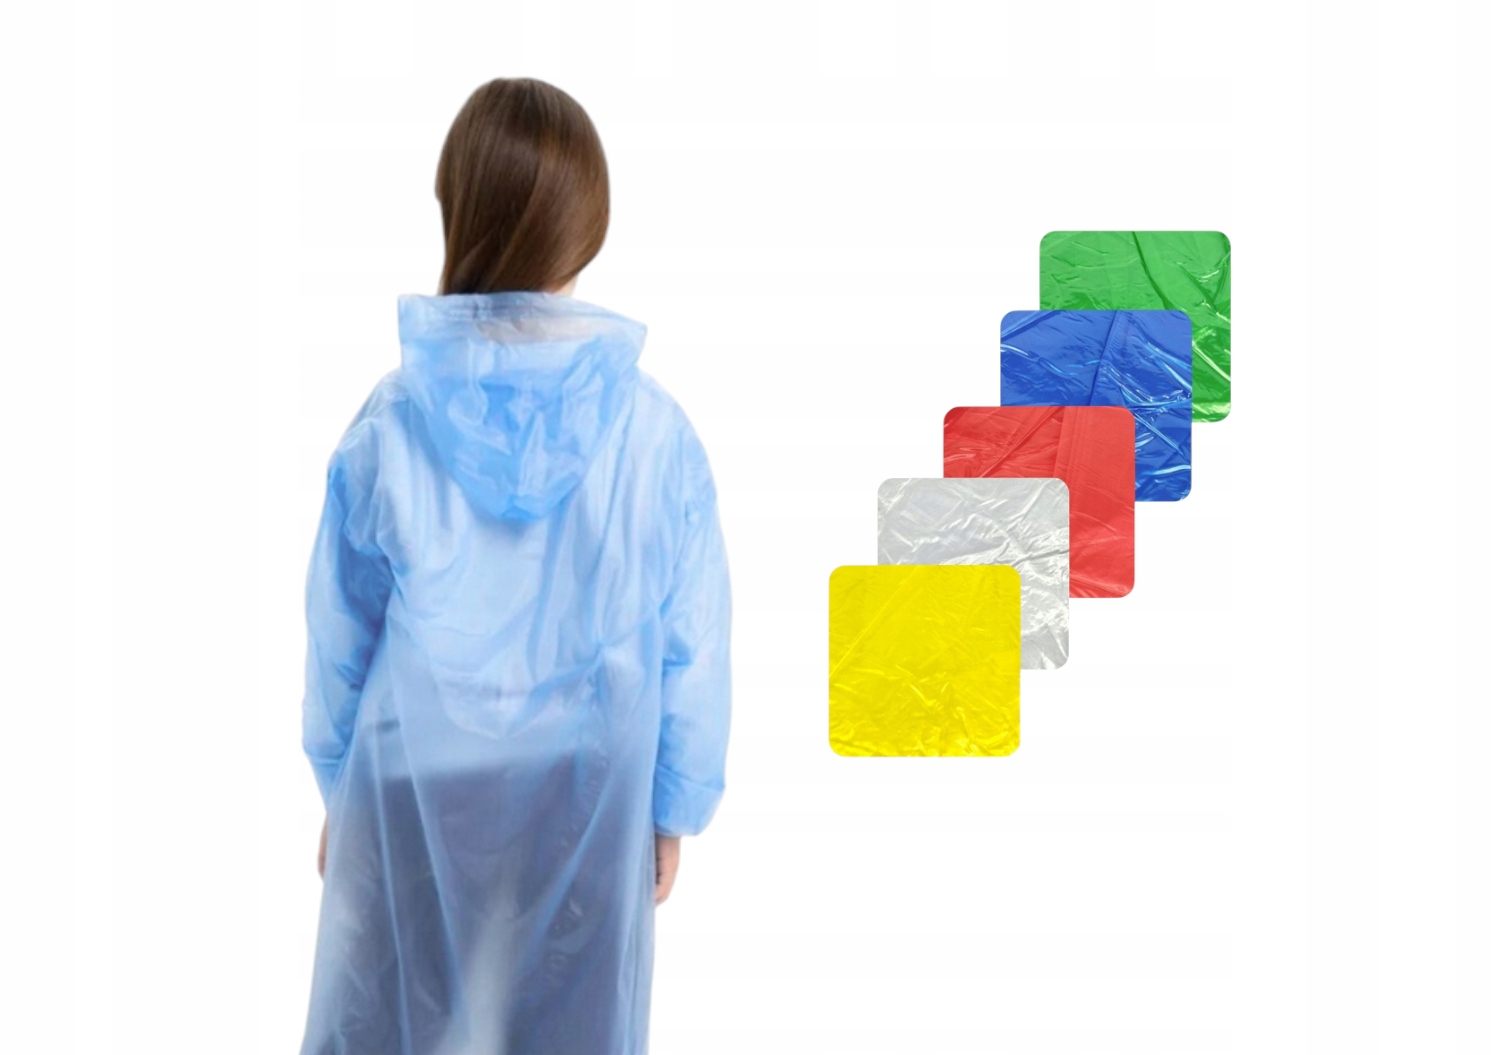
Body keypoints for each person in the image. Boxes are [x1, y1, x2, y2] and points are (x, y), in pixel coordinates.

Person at [297, 77, 732, 1055]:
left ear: (457, 206)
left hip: (412, 786)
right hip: (586, 796)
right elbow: (691, 646)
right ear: (588, 227)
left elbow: (341, 635)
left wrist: (343, 791)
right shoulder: (654, 434)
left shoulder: (392, 422)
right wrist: (672, 807)